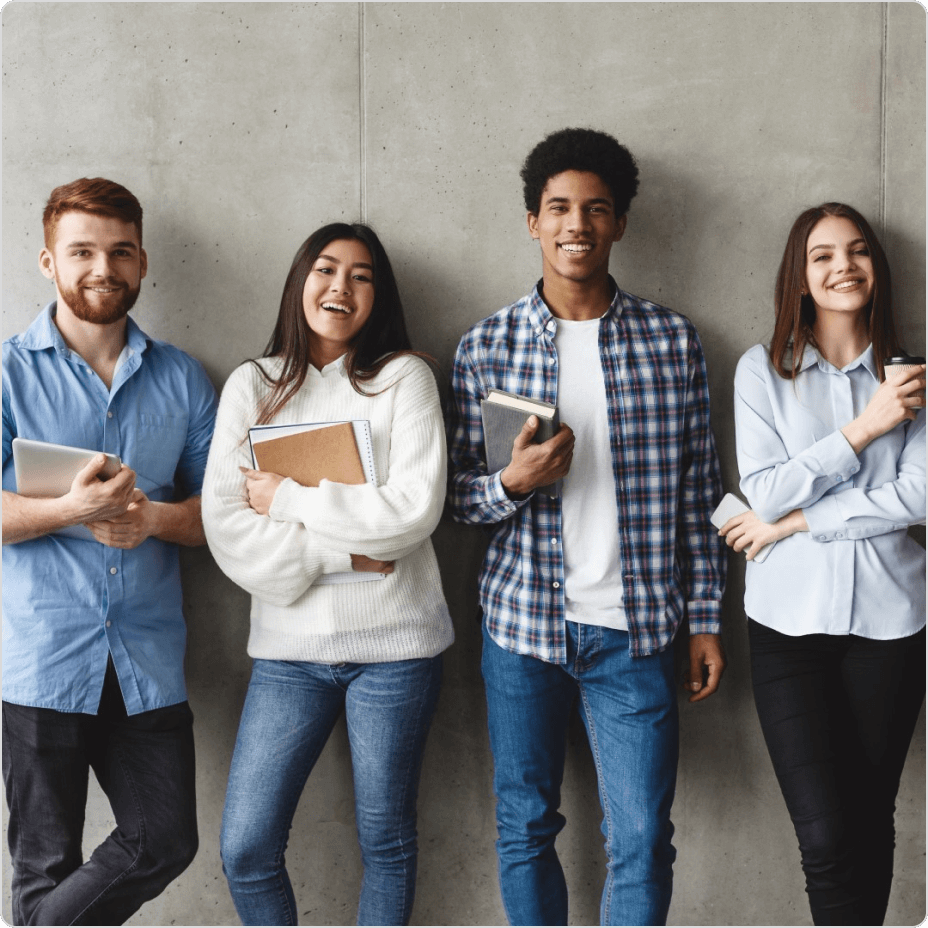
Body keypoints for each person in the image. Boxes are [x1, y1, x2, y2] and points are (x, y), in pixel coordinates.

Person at [446, 127, 727, 927]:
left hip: (636, 632)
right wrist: (512, 482)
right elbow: (456, 501)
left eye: (597, 209)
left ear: (620, 224)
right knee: (525, 826)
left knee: (641, 838)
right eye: (559, 208)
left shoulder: (671, 341)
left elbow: (699, 493)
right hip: (520, 629)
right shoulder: (485, 347)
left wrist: (705, 621)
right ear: (532, 222)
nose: (578, 224)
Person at [202, 222, 453, 926]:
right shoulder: (253, 386)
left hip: (397, 652)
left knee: (387, 842)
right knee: (247, 848)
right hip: (289, 655)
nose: (341, 287)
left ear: (379, 294)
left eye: (362, 275)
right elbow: (228, 529)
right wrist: (344, 553)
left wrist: (287, 500)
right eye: (325, 269)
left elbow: (411, 512)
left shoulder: (405, 378)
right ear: (299, 282)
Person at [2, 177, 217, 925]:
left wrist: (154, 520)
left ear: (143, 261)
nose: (103, 268)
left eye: (119, 252)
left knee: (165, 839)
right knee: (43, 866)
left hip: (146, 662)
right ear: (47, 261)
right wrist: (73, 508)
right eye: (83, 251)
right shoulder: (6, 373)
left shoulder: (184, 378)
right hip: (42, 657)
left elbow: (220, 513)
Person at [720, 202, 925, 926]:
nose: (844, 266)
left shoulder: (917, 373)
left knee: (870, 820)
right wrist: (870, 424)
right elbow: (764, 489)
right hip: (787, 629)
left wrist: (800, 521)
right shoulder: (762, 371)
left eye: (858, 251)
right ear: (800, 277)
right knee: (827, 834)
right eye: (823, 255)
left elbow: (920, 496)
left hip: (894, 624)